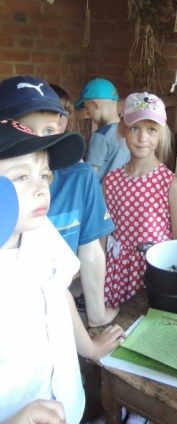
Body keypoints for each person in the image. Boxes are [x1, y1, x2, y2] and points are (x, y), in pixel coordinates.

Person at [0, 119, 125, 424]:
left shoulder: (40, 231)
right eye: (21, 176)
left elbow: (59, 294)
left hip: (67, 402)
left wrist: (89, 349)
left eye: (44, 174)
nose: (41, 188)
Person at [0, 75, 118, 327]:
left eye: (49, 131)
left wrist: (96, 315)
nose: (40, 143)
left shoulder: (81, 177)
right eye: (26, 130)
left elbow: (91, 252)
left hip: (60, 309)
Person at [103, 92, 177, 308]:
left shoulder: (171, 184)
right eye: (135, 128)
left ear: (160, 134)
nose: (142, 138)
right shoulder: (111, 181)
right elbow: (103, 236)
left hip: (155, 273)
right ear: (123, 130)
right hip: (117, 273)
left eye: (151, 130)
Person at [75, 78, 130, 184]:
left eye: (87, 108)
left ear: (96, 104)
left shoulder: (100, 135)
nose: (87, 113)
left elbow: (91, 173)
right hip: (124, 190)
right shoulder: (128, 130)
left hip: (103, 192)